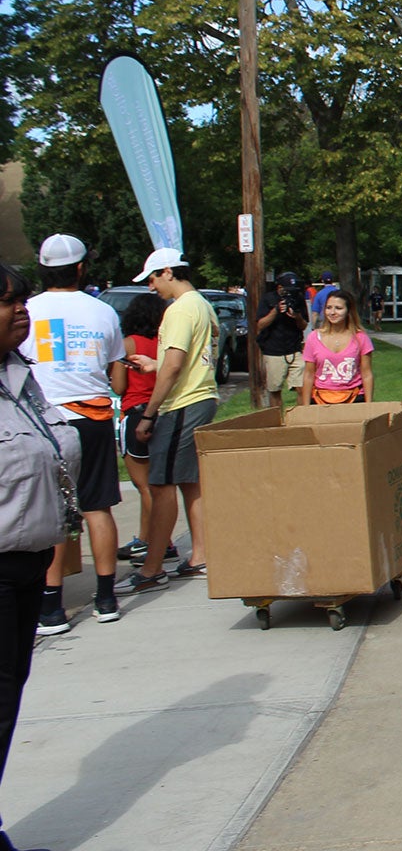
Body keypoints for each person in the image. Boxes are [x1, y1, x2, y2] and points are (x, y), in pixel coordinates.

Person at [0, 261, 81, 851]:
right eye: (7, 301)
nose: (20, 309)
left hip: (25, 561)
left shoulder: (18, 376)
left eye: (22, 298)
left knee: (6, 702)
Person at [26, 234, 124, 634]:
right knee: (97, 505)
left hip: (46, 419)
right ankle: (105, 598)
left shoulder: (27, 310)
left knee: (53, 510)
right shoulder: (103, 312)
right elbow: (117, 379)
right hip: (94, 417)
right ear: (82, 269)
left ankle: (51, 608)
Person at [116, 247, 219, 593]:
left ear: (168, 273)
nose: (150, 287)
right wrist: (154, 364)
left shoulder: (178, 310)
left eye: (152, 278)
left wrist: (148, 414)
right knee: (191, 483)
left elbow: (175, 366)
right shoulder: (202, 304)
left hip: (182, 404)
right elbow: (193, 357)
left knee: (160, 487)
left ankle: (152, 568)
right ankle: (200, 556)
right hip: (202, 397)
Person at [115, 293, 170, 570]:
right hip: (161, 411)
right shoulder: (163, 345)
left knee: (145, 486)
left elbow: (118, 386)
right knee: (161, 483)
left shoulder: (128, 344)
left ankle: (147, 540)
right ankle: (164, 539)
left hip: (136, 412)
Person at [300, 290, 375, 405]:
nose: (332, 312)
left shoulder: (361, 338)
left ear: (348, 311)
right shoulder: (313, 338)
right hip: (320, 399)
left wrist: (369, 405)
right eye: (329, 307)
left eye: (338, 308)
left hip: (354, 398)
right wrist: (306, 407)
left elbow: (367, 374)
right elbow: (309, 374)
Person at [254, 271, 308, 408]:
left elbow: (304, 325)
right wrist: (276, 310)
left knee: (302, 387)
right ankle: (278, 421)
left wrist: (296, 316)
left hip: (295, 349)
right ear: (279, 287)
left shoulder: (298, 299)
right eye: (287, 289)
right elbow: (260, 324)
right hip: (273, 351)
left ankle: (299, 421)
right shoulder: (268, 299)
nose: (290, 293)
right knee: (275, 389)